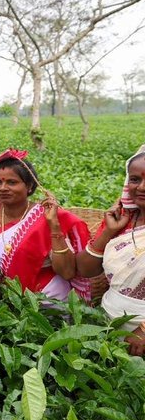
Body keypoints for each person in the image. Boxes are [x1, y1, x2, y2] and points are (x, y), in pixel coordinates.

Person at [0, 149, 91, 302]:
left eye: (12, 182)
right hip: (9, 297)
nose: (3, 188)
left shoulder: (45, 216)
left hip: (48, 298)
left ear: (29, 186)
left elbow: (67, 272)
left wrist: (54, 225)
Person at [77, 144, 145, 355]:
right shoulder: (123, 220)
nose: (141, 187)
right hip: (107, 319)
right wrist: (108, 232)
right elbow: (86, 270)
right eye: (135, 179)